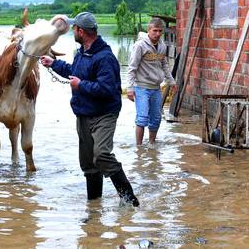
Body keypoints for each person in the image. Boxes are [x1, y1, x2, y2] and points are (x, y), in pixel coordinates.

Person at [40, 12, 139, 206]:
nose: (73, 33)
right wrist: (54, 64)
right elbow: (74, 72)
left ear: (80, 31)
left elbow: (108, 89)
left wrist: (81, 85)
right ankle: (94, 207)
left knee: (101, 155)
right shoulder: (82, 53)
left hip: (104, 114)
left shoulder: (105, 57)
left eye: (74, 29)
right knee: (88, 164)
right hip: (84, 114)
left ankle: (129, 200)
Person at [127, 18, 176, 146]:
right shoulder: (140, 45)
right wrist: (130, 88)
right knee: (142, 118)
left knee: (156, 118)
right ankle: (139, 147)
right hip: (141, 87)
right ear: (149, 30)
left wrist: (171, 82)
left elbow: (164, 65)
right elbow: (132, 67)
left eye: (160, 31)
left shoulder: (162, 46)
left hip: (156, 88)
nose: (158, 34)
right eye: (155, 30)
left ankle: (152, 144)